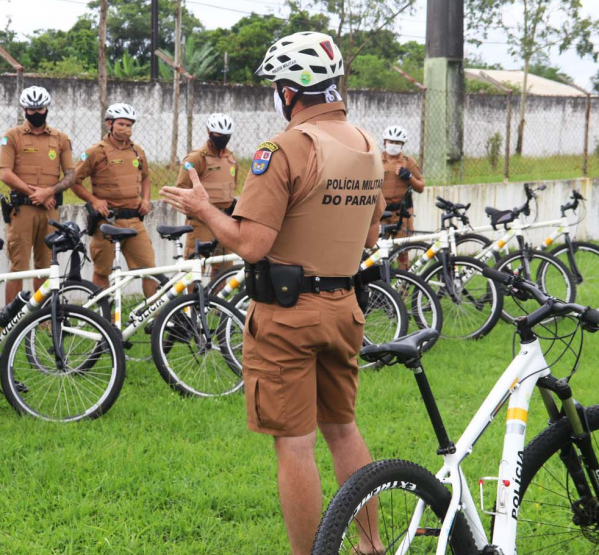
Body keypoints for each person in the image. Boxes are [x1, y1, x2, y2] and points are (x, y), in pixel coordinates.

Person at [161, 32, 385, 555]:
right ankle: (370, 546)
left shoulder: (282, 148)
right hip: (344, 308)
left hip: (287, 316)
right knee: (344, 431)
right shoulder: (368, 146)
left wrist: (203, 211)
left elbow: (251, 243)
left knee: (296, 444)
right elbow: (371, 238)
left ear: (289, 92)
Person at [0, 86, 75, 304]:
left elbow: (71, 176)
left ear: (47, 108)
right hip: (22, 210)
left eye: (40, 109)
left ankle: (42, 317)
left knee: (46, 266)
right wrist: (36, 193)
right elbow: (5, 173)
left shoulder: (60, 139)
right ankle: (10, 319)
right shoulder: (12, 137)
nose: (36, 113)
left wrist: (50, 191)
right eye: (31, 110)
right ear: (24, 110)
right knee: (18, 267)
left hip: (50, 210)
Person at [72, 103, 157, 297]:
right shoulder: (96, 152)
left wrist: (146, 199)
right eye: (121, 124)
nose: (126, 129)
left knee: (150, 270)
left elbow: (145, 177)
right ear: (109, 124)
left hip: (134, 220)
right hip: (107, 222)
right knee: (102, 271)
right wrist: (94, 201)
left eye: (129, 125)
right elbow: (74, 181)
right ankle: (104, 318)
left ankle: (155, 318)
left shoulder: (137, 151)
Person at [174, 113, 238, 272]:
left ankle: (217, 297)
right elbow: (181, 189)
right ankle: (192, 298)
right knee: (194, 268)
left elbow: (233, 185)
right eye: (218, 135)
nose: (222, 138)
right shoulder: (196, 159)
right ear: (209, 132)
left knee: (223, 267)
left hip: (225, 220)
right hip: (201, 222)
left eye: (226, 136)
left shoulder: (231, 158)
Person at [379, 125, 425, 268]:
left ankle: (403, 287)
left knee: (403, 251)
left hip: (402, 214)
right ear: (384, 142)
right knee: (378, 251)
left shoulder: (408, 162)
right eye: (390, 142)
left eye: (397, 143)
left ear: (402, 145)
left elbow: (421, 187)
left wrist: (409, 177)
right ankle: (379, 286)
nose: (393, 145)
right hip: (381, 212)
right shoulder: (376, 160)